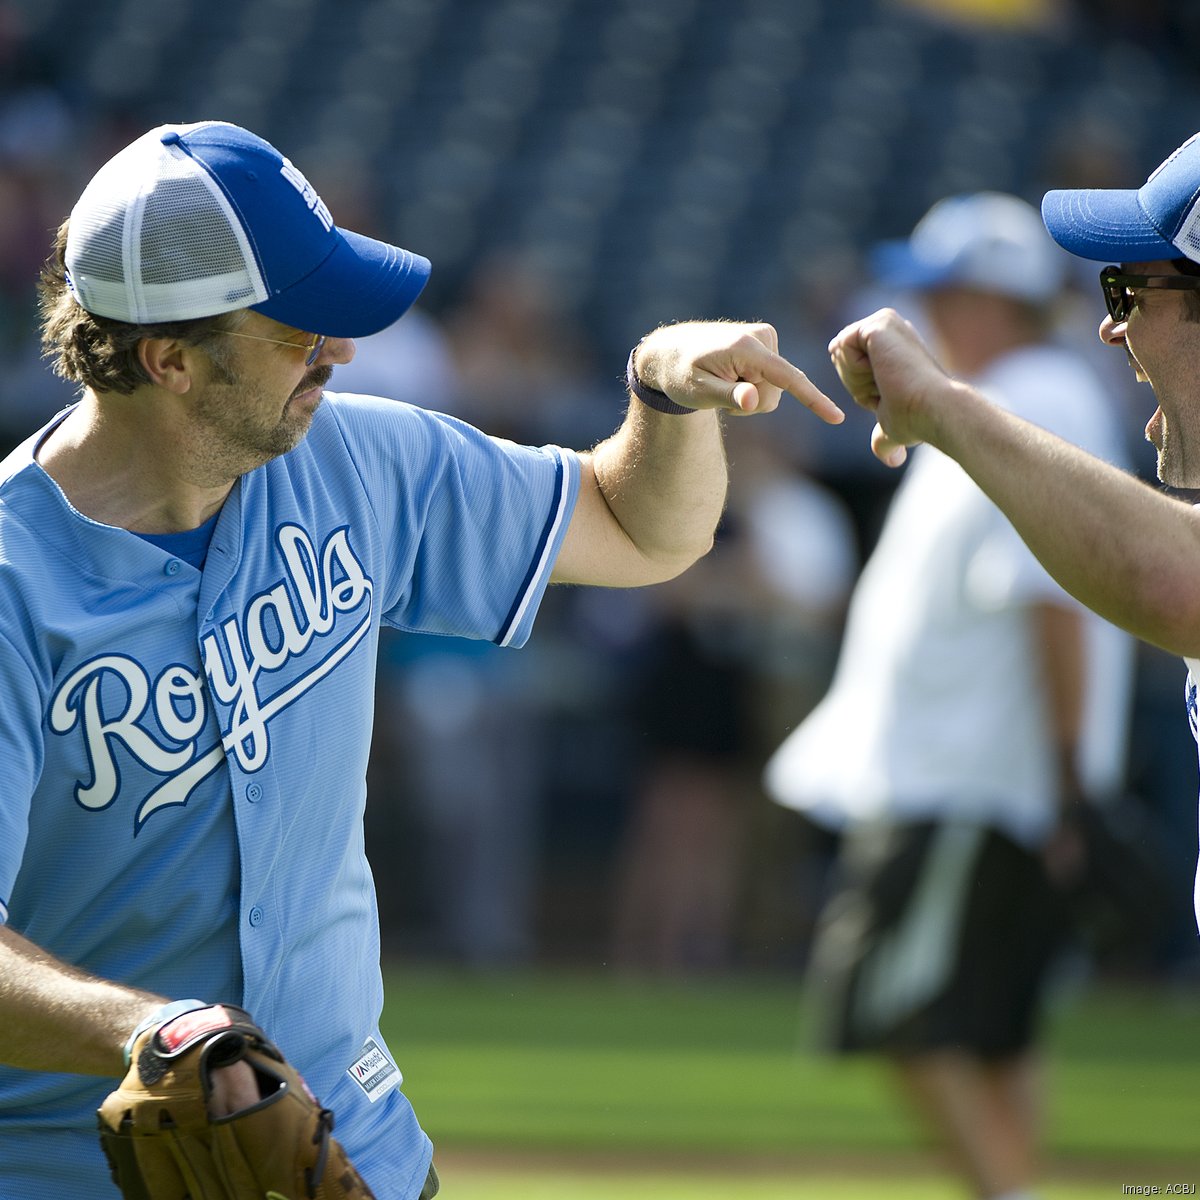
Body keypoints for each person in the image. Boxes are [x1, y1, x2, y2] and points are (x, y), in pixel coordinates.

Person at [0, 120, 843, 1199]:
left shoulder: (356, 458)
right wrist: (156, 1033)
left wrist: (664, 395)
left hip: (359, 1151)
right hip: (80, 1169)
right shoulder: (19, 585)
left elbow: (642, 533)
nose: (338, 352)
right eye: (299, 329)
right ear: (167, 357)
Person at [765, 193, 1135, 1200]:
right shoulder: (1005, 396)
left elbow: (1049, 599)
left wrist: (1067, 785)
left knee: (901, 1014)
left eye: (940, 290)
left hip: (969, 783)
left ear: (986, 299)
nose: (921, 309)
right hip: (976, 780)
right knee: (991, 1031)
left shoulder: (1033, 399)